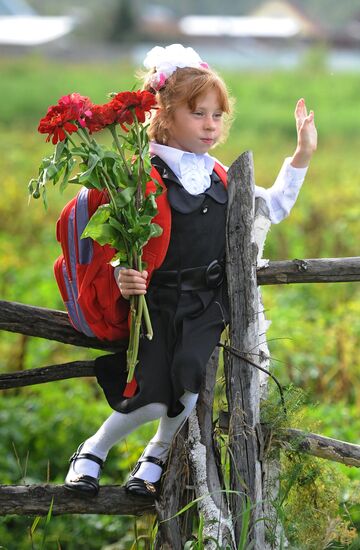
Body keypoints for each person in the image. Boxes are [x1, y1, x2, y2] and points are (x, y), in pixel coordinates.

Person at [64, 44, 317, 498]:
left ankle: (155, 455)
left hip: (207, 301)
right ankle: (93, 449)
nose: (210, 125)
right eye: (198, 113)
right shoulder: (140, 172)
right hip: (158, 300)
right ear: (164, 113)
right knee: (149, 392)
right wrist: (125, 276)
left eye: (217, 116)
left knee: (189, 384)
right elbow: (117, 241)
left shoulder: (220, 172)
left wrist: (301, 154)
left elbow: (272, 206)